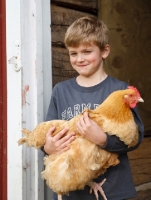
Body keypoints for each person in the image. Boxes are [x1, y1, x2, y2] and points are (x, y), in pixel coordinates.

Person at [43, 16, 144, 200]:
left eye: (87, 51)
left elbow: (136, 138)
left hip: (112, 189)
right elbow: (49, 132)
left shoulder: (120, 90)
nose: (79, 58)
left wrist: (103, 139)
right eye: (73, 53)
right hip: (73, 187)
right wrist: (48, 146)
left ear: (105, 51)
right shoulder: (61, 91)